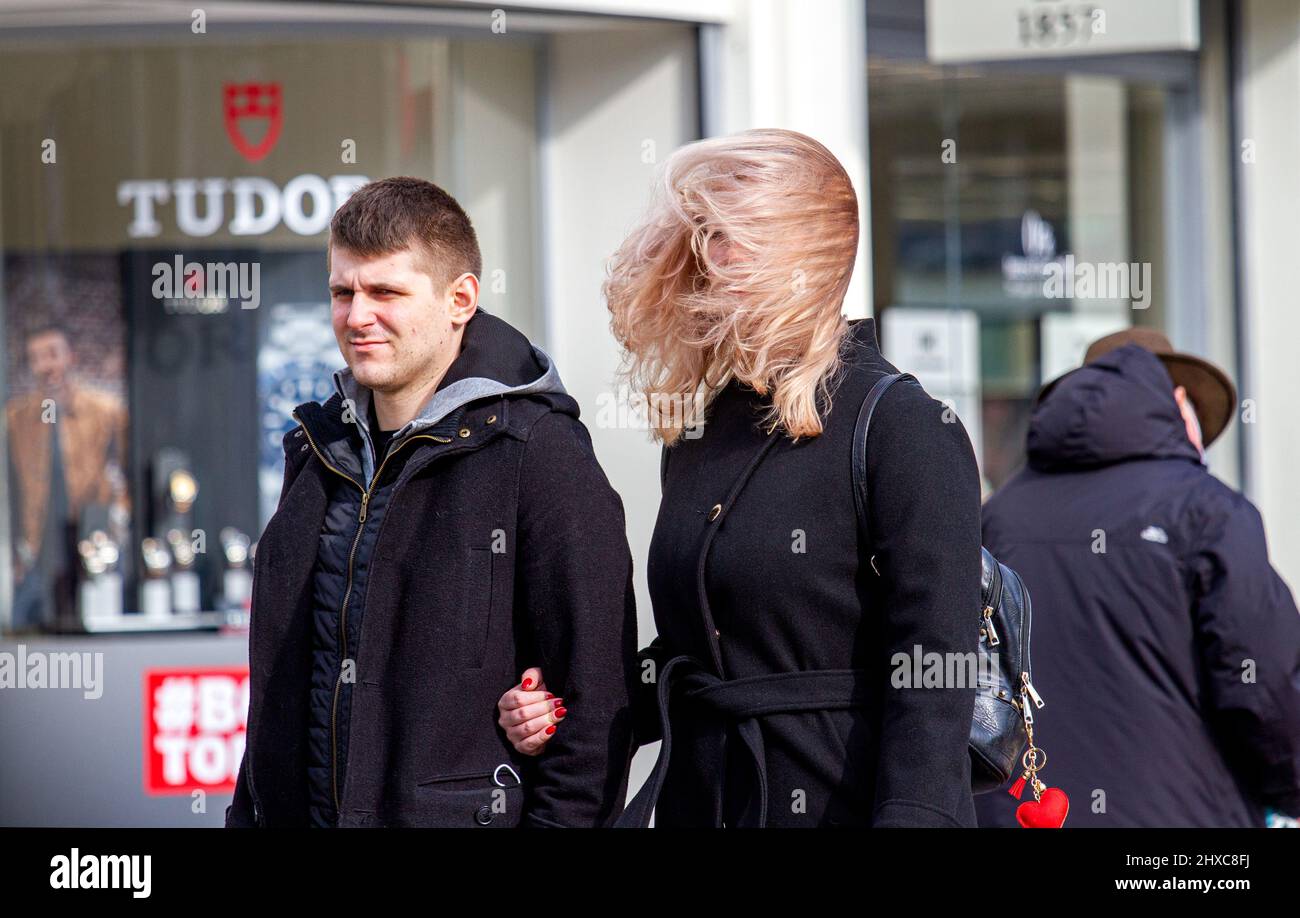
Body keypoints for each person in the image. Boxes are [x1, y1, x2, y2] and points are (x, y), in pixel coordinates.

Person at [497, 129, 983, 827]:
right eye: (701, 235)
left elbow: (938, 666)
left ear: (802, 255)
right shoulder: (703, 431)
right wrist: (563, 707)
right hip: (705, 801)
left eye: (728, 236)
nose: (706, 260)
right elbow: (694, 654)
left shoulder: (901, 423)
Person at [225, 177, 638, 828]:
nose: (358, 316)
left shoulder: (541, 452)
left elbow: (593, 712)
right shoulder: (314, 449)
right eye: (343, 292)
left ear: (460, 299)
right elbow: (283, 691)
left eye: (386, 292)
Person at [973, 328, 1300, 827]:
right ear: (1178, 402)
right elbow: (1266, 689)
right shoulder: (1207, 511)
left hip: (1023, 815)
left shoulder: (996, 518)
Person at [7, 324, 129, 630]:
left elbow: (125, 473)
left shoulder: (106, 411)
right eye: (36, 358)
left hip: (92, 533)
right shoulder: (16, 418)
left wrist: (118, 521)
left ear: (70, 356)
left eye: (53, 354)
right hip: (38, 539)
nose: (46, 365)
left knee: (97, 618)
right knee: (28, 621)